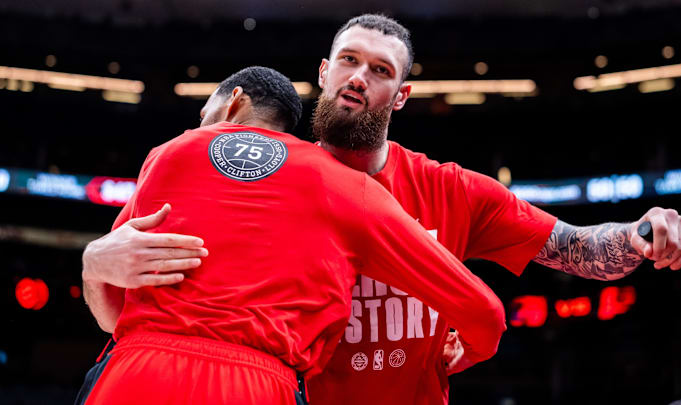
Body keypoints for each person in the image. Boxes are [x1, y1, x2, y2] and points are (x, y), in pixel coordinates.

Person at [81, 15, 681, 405]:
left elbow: (578, 248)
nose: (358, 78)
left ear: (399, 96)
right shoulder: (257, 173)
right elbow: (131, 317)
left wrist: (642, 234)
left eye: (379, 70)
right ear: (323, 73)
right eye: (347, 60)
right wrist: (94, 261)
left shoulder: (452, 190)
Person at [78, 66, 507, 405]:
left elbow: (111, 316)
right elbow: (484, 311)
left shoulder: (170, 153)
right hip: (260, 384)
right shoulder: (341, 183)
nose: (200, 124)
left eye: (202, 113)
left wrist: (91, 266)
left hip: (135, 370)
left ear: (233, 103)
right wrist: (468, 352)